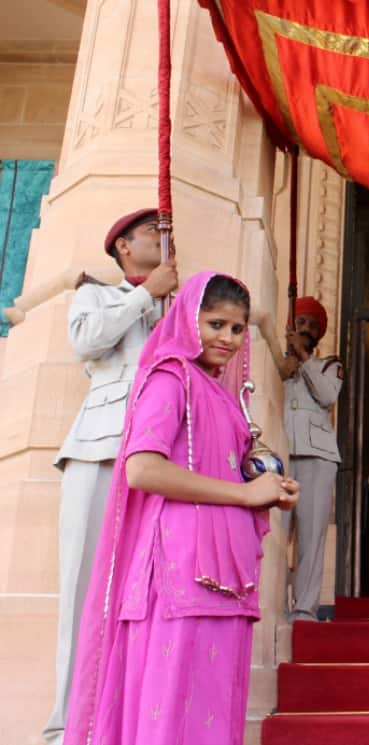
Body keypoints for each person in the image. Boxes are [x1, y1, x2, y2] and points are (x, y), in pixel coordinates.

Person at [63, 272, 299, 745]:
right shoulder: (171, 378)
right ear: (189, 319)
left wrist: (266, 488)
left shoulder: (225, 397)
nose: (228, 339)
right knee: (170, 710)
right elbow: (142, 471)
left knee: (214, 706)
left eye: (237, 329)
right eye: (216, 324)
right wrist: (243, 495)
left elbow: (226, 471)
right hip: (178, 567)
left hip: (227, 571)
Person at [43, 208, 178, 745]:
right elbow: (88, 342)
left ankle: (127, 720)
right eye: (153, 234)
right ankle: (65, 725)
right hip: (100, 449)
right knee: (82, 588)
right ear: (123, 246)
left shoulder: (179, 304)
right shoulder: (96, 294)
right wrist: (146, 296)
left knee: (145, 593)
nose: (163, 241)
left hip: (162, 460)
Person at [277, 296, 342, 622]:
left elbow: (328, 396)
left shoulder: (329, 364)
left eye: (311, 325)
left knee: (311, 535)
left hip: (318, 456)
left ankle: (304, 608)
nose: (305, 328)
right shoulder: (275, 360)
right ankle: (275, 607)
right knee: (276, 534)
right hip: (280, 454)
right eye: (300, 322)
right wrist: (285, 363)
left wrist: (304, 358)